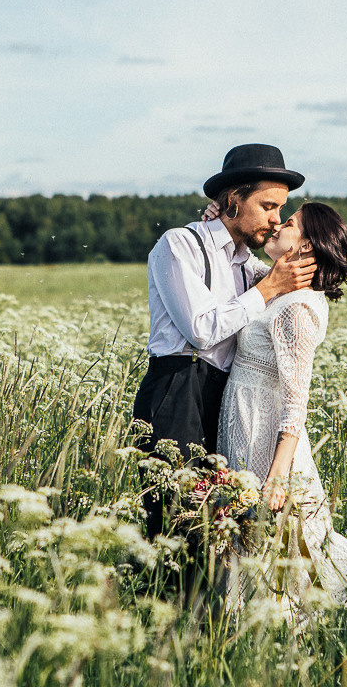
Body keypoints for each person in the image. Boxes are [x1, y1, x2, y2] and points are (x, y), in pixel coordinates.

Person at [133, 144, 316, 540]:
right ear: (233, 200)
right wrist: (267, 290)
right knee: (175, 527)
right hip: (177, 391)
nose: (276, 219)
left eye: (281, 209)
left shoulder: (246, 263)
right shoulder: (178, 244)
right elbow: (200, 329)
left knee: (222, 533)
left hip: (223, 398)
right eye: (268, 206)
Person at [216, 201, 347, 623]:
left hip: (265, 436)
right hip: (245, 423)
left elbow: (296, 400)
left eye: (288, 223)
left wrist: (277, 475)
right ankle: (254, 632)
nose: (276, 226)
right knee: (253, 543)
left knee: (275, 543)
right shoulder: (279, 290)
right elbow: (243, 271)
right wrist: (221, 218)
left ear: (306, 246)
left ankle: (283, 637)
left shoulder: (298, 308)